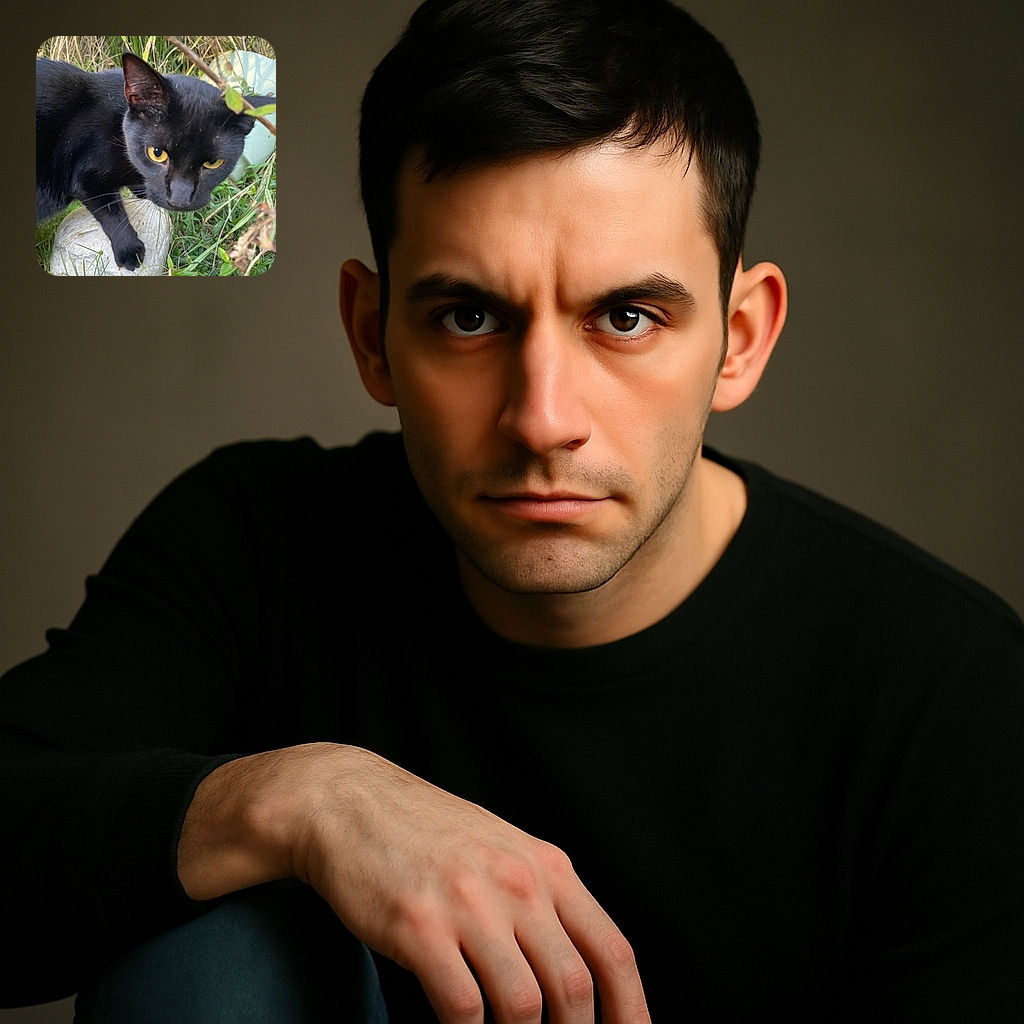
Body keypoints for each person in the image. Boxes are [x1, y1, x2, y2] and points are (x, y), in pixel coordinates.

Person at [3, 0, 1023, 1021]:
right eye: (468, 317)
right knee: (209, 966)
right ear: (371, 335)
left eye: (625, 317)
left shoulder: (954, 702)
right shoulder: (253, 542)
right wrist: (301, 799)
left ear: (740, 339)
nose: (542, 420)